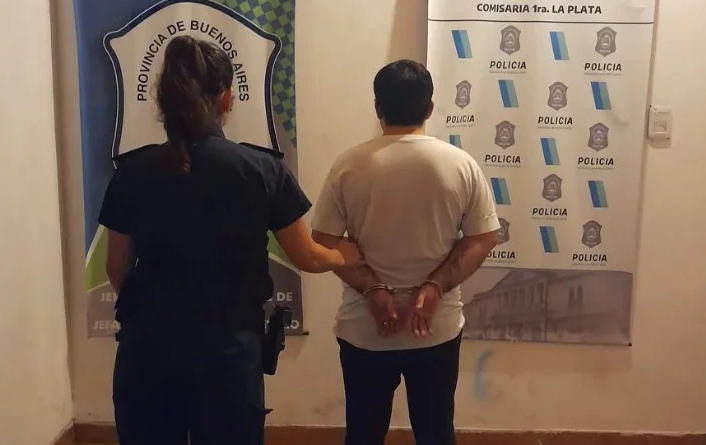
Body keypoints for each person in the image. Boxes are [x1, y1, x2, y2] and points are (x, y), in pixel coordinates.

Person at [100, 35, 361, 445]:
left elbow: (116, 267)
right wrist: (343, 255)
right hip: (226, 357)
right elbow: (307, 257)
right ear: (225, 99)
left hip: (146, 352)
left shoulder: (132, 171)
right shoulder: (261, 169)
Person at [311, 60, 500, 445]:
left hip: (364, 328)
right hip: (436, 328)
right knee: (435, 434)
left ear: (377, 108)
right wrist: (434, 287)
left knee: (363, 434)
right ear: (429, 108)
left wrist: (373, 289)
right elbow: (482, 239)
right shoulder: (459, 164)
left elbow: (325, 241)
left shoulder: (349, 165)